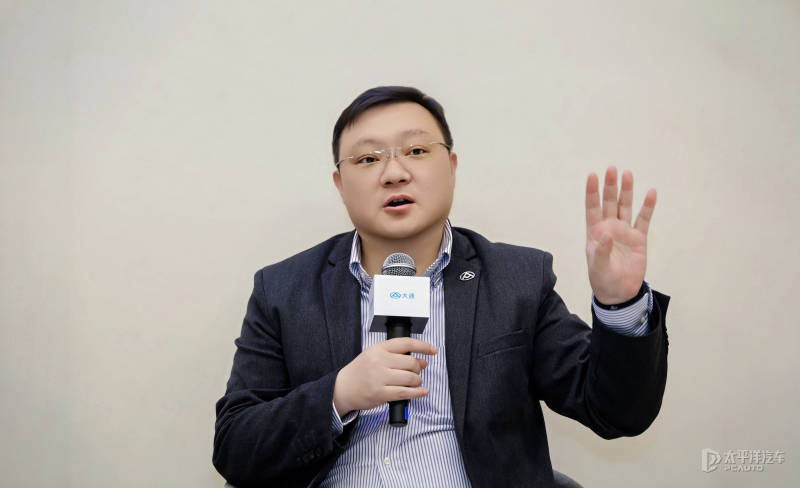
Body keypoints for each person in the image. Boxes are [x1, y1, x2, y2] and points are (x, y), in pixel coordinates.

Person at [213, 86, 670, 488]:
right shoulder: (284, 290)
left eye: (416, 151)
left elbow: (617, 412)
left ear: (451, 166)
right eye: (368, 159)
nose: (394, 173)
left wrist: (619, 304)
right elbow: (234, 445)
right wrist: (339, 393)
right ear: (340, 184)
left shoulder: (516, 280)